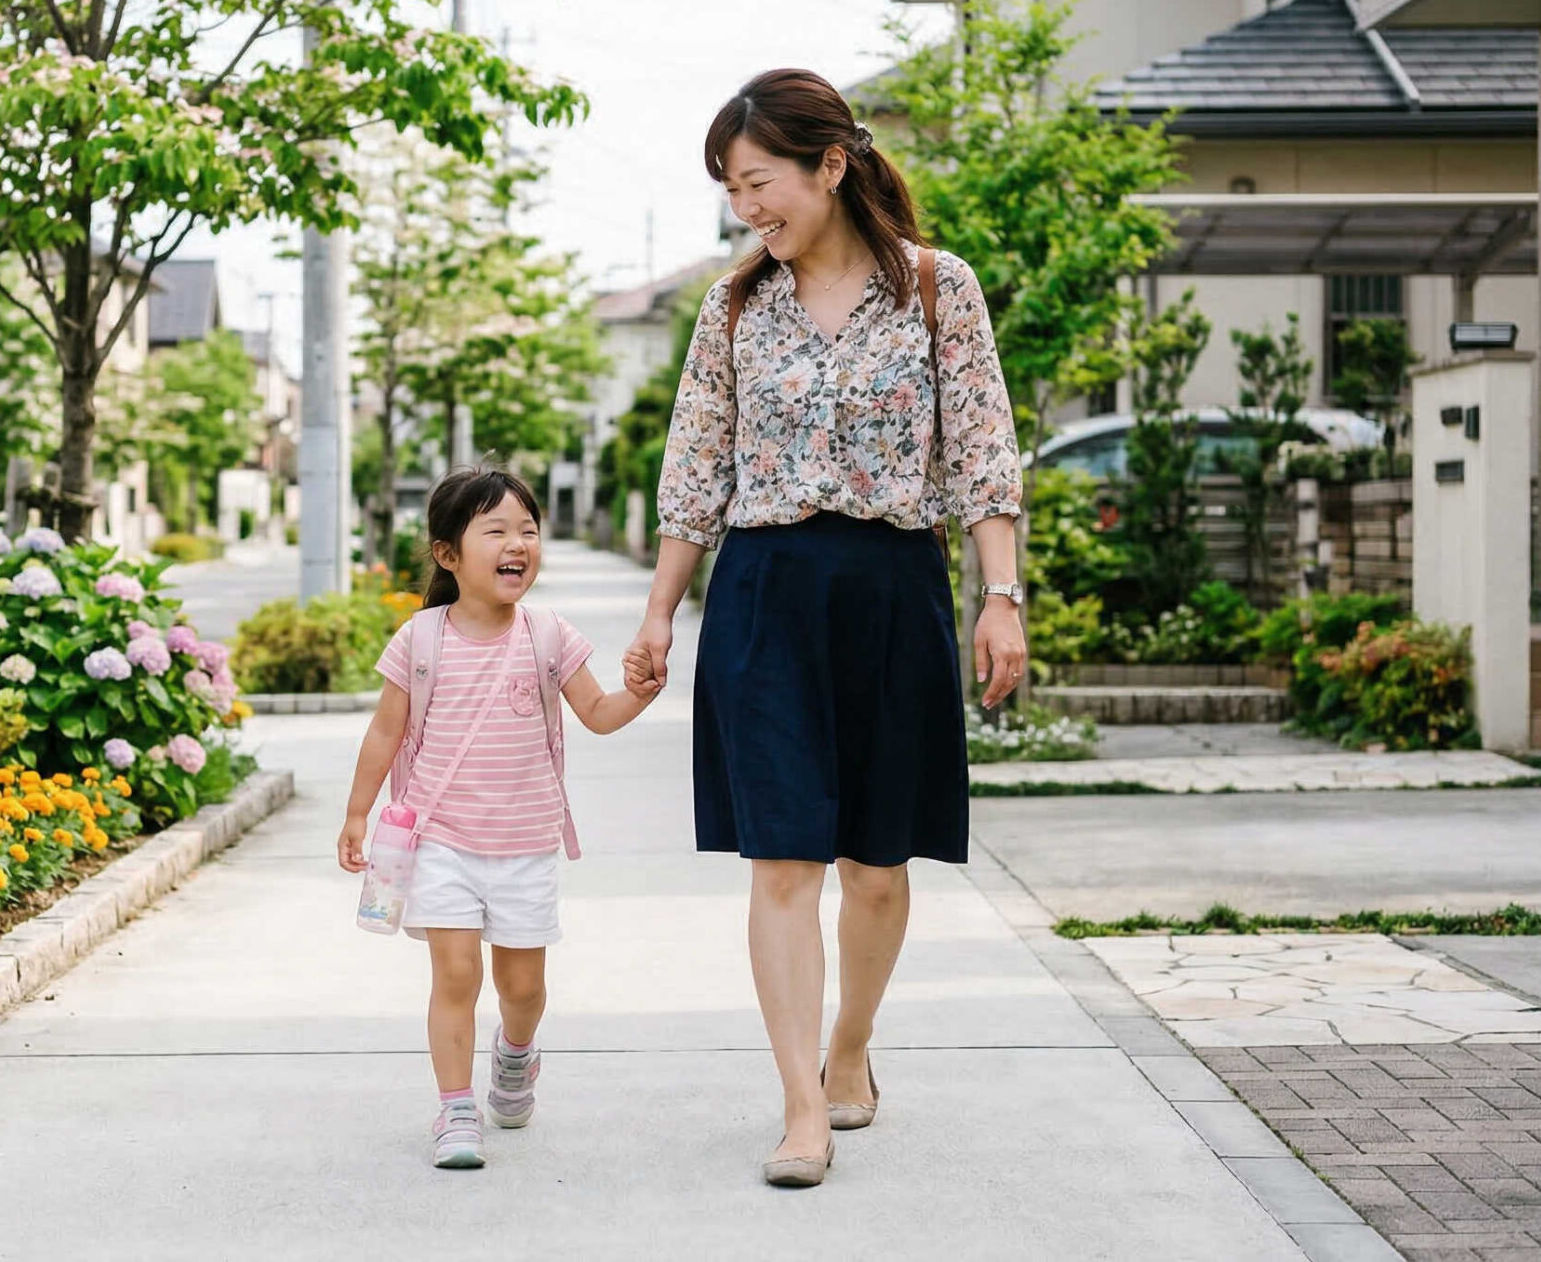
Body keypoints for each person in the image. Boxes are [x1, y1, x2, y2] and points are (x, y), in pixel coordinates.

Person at [622, 68, 1028, 1188]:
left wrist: (1000, 597)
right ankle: (802, 1105)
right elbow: (694, 467)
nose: (746, 208)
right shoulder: (732, 306)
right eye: (731, 190)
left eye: (759, 182)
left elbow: (984, 452)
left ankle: (851, 1045)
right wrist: (658, 612)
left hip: (893, 586)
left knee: (878, 866)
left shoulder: (938, 289)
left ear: (831, 166)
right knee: (783, 858)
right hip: (765, 591)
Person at [337, 467, 662, 1169]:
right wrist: (358, 811)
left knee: (523, 988)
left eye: (528, 531)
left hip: (525, 845)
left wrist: (638, 693)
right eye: (496, 531)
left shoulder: (548, 634)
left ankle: (516, 1054)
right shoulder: (421, 638)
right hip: (440, 842)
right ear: (447, 554)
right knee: (455, 977)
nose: (518, 544)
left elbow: (597, 712)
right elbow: (386, 731)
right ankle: (456, 1109)